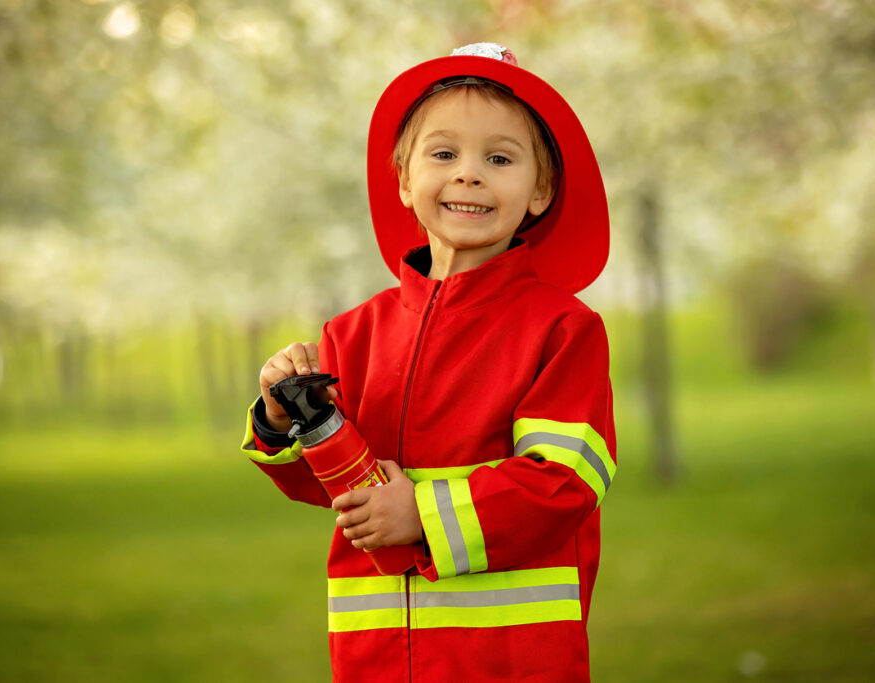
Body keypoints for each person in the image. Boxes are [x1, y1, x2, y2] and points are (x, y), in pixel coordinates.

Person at [242, 42, 617, 682]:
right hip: (377, 657)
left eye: (498, 158)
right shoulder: (352, 333)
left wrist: (422, 512)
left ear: (539, 190)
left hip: (511, 658)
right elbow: (333, 485)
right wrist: (281, 418)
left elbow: (564, 481)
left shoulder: (561, 329)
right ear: (405, 182)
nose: (469, 174)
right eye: (444, 154)